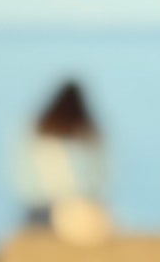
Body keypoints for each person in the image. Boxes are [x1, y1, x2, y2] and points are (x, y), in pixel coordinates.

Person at [15, 81, 113, 246]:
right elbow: (102, 174)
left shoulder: (38, 130)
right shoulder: (89, 133)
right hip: (57, 207)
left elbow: (23, 174)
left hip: (45, 206)